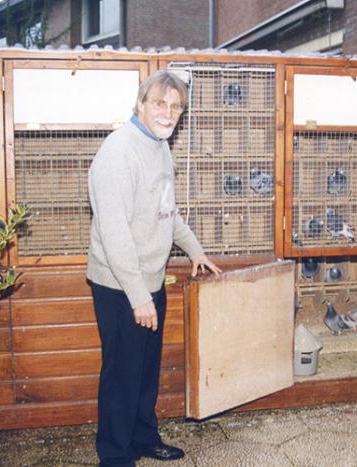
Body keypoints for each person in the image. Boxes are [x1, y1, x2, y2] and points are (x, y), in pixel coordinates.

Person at [87, 70, 221, 466]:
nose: (168, 112)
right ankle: (114, 455)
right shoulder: (117, 153)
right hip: (119, 286)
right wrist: (138, 297)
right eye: (160, 103)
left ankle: (144, 438)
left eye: (176, 106)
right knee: (121, 375)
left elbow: (167, 211)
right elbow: (114, 235)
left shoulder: (159, 147)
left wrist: (194, 249)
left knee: (145, 370)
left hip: (148, 281)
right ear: (141, 104)